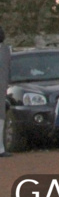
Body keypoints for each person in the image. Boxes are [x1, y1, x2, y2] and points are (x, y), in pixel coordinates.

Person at [0, 26, 12, 157]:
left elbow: (7, 70)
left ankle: (0, 149)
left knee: (0, 120)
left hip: (1, 89)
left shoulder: (5, 50)